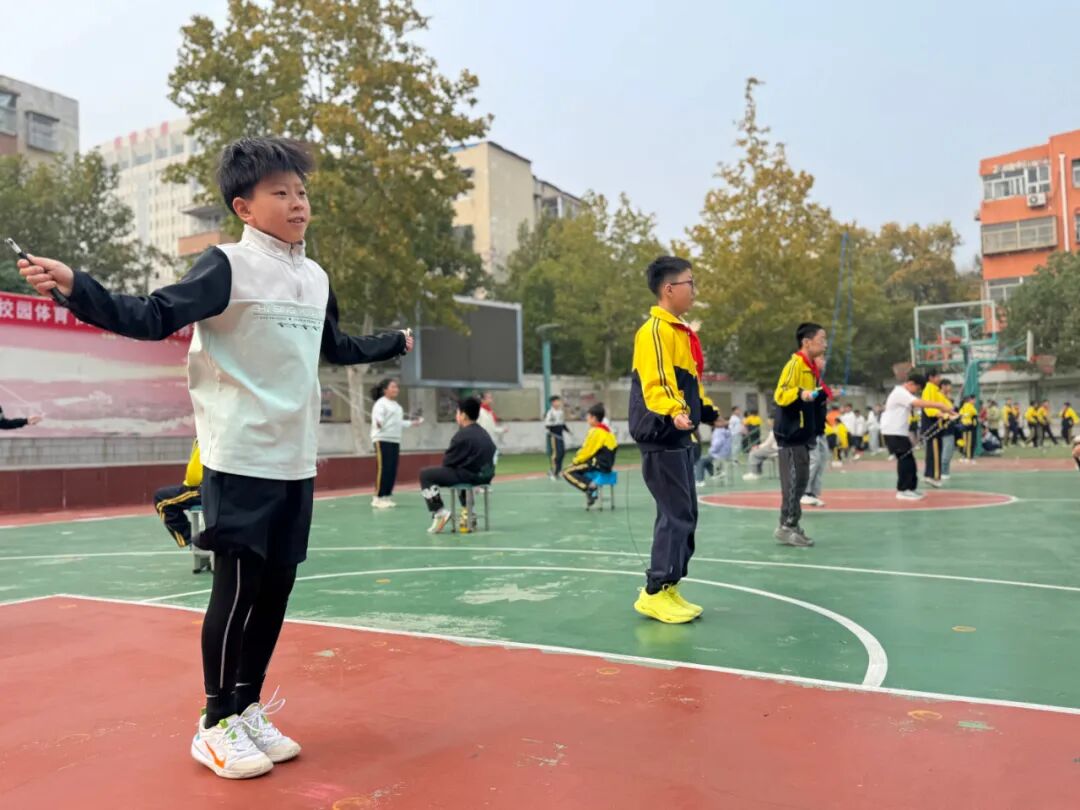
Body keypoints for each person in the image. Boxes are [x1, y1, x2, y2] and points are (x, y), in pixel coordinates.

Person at [19, 136, 414, 780]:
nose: (298, 203)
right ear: (244, 207)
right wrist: (77, 287)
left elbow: (334, 346)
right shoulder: (226, 265)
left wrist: (391, 341)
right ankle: (214, 722)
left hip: (295, 457)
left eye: (302, 191)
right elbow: (152, 315)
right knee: (238, 589)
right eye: (280, 192)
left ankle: (247, 707)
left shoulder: (315, 278)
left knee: (278, 587)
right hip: (239, 453)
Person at [628, 256, 717, 623]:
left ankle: (669, 586)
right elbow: (657, 383)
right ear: (669, 289)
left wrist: (706, 411)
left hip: (679, 434)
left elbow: (690, 384)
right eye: (689, 283)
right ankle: (654, 591)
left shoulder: (680, 333)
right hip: (661, 433)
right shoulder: (654, 331)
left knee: (686, 514)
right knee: (674, 514)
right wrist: (674, 410)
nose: (694, 290)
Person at [773, 321, 830, 547]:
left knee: (801, 481)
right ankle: (786, 526)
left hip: (804, 435)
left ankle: (792, 524)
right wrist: (800, 393)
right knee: (794, 482)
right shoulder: (795, 365)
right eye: (821, 340)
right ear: (807, 342)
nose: (825, 345)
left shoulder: (811, 369)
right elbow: (781, 394)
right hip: (791, 434)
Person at [419, 397, 497, 534]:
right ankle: (469, 511)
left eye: (457, 412)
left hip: (471, 476)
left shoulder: (461, 436)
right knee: (460, 470)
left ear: (463, 415)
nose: (456, 415)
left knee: (425, 474)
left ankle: (439, 512)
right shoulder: (484, 433)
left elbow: (447, 462)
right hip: (486, 476)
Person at [881, 371, 956, 500]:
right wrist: (940, 405)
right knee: (905, 461)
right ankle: (903, 490)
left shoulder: (904, 393)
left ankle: (910, 488)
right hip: (893, 432)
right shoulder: (900, 393)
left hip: (899, 432)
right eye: (917, 388)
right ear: (911, 384)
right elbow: (919, 403)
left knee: (909, 461)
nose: (916, 392)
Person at [370, 378, 422, 509]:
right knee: (383, 468)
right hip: (382, 439)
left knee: (392, 469)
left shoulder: (397, 406)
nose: (396, 389)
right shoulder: (380, 404)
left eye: (397, 387)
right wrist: (379, 423)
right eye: (393, 387)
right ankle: (377, 497)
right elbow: (378, 419)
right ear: (385, 390)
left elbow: (398, 423)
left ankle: (386, 496)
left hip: (395, 439)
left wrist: (412, 423)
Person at [561, 403, 618, 507]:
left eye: (588, 416)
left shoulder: (596, 432)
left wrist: (574, 462)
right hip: (606, 465)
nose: (587, 419)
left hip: (597, 464)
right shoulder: (608, 431)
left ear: (594, 418)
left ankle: (590, 487)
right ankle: (590, 486)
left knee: (566, 472)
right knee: (575, 470)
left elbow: (586, 451)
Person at [153, 438, 204, 549]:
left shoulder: (216, 433)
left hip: (204, 488)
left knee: (162, 500)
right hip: (195, 487)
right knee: (162, 496)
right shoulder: (202, 435)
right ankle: (194, 540)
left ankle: (192, 540)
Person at [802, 355, 831, 508]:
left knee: (822, 460)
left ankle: (813, 493)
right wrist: (819, 394)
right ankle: (804, 492)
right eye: (821, 359)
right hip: (810, 429)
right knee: (813, 460)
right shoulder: (808, 378)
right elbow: (807, 398)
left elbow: (825, 395)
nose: (824, 361)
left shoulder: (820, 380)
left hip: (820, 429)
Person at [920, 370, 949, 487]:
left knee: (933, 452)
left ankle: (929, 475)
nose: (939, 378)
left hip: (936, 425)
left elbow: (944, 405)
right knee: (935, 453)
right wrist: (941, 414)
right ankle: (934, 477)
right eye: (937, 376)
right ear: (931, 377)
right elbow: (928, 408)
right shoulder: (928, 389)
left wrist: (951, 412)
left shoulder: (935, 390)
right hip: (931, 425)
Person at [543, 395, 571, 479]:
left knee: (562, 453)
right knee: (557, 454)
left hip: (561, 435)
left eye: (559, 401)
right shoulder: (550, 413)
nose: (558, 403)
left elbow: (562, 423)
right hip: (554, 435)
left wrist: (568, 431)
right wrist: (550, 430)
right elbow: (547, 424)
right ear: (553, 403)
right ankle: (554, 471)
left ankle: (558, 470)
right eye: (556, 401)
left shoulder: (560, 412)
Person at [958, 394, 979, 463]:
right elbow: (964, 415)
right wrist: (968, 422)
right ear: (970, 400)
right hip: (969, 427)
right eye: (973, 399)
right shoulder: (967, 406)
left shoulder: (970, 406)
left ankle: (965, 456)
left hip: (969, 426)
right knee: (969, 442)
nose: (975, 401)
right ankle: (968, 457)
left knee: (967, 442)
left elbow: (961, 414)